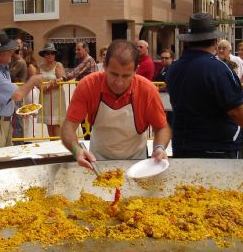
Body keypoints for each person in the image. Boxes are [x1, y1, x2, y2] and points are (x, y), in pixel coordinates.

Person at [166, 12, 243, 159]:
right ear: (214, 41)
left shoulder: (174, 68)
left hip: (183, 146)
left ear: (188, 41)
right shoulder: (217, 69)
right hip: (218, 148)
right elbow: (237, 110)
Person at [61, 40, 170, 168]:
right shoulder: (88, 86)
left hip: (136, 163)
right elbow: (68, 128)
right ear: (105, 66)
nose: (119, 82)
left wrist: (159, 147)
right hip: (97, 161)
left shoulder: (147, 90)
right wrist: (76, 150)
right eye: (114, 74)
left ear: (136, 70)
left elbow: (162, 127)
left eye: (126, 76)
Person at [38, 43, 66, 138]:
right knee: (49, 128)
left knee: (56, 127)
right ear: (44, 55)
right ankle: (52, 150)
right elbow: (38, 82)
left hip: (56, 99)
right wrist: (44, 87)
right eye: (48, 53)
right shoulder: (40, 66)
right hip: (45, 99)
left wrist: (47, 87)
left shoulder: (58, 65)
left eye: (52, 53)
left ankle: (58, 151)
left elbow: (62, 80)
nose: (50, 55)